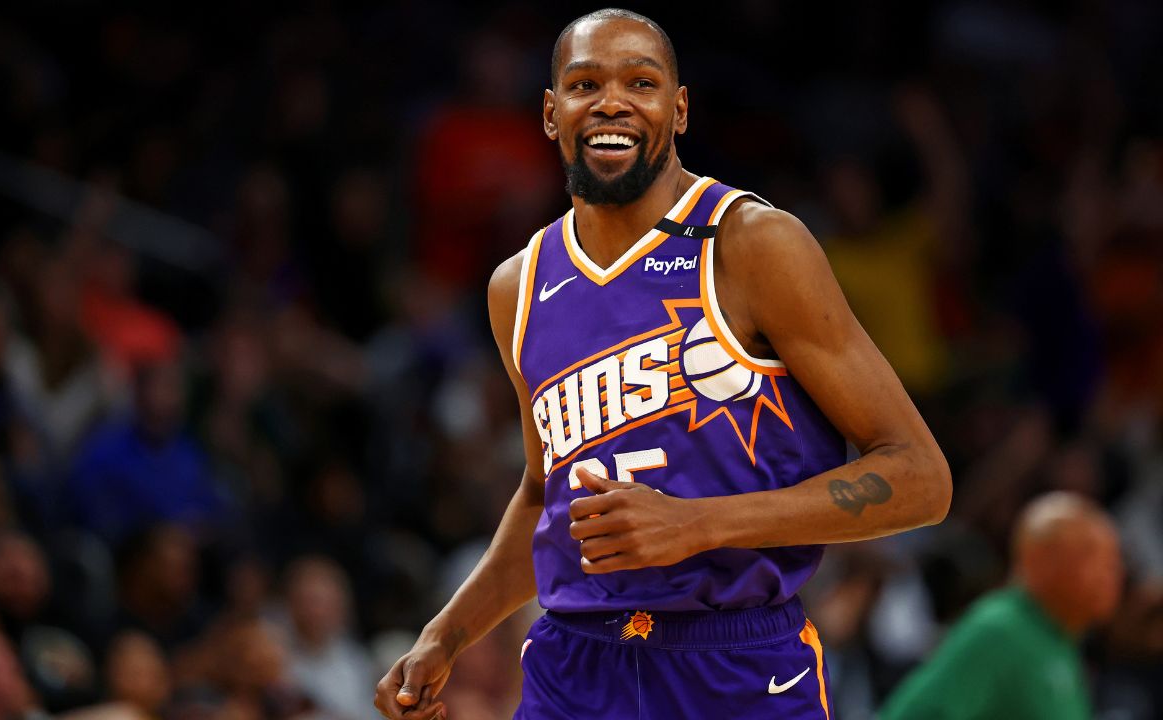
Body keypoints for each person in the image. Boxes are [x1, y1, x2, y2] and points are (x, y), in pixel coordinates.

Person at [375, 8, 951, 719]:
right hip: (574, 666)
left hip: (736, 662)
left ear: (678, 110)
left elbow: (920, 478)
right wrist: (446, 634)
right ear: (553, 115)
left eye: (639, 82)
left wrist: (698, 524)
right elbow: (542, 496)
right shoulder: (516, 288)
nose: (611, 100)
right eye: (586, 84)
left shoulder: (751, 244)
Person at [880, 492, 1122, 720]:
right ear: (1039, 561)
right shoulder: (1001, 629)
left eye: (1112, 563)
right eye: (1092, 559)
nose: (1109, 577)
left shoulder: (1060, 637)